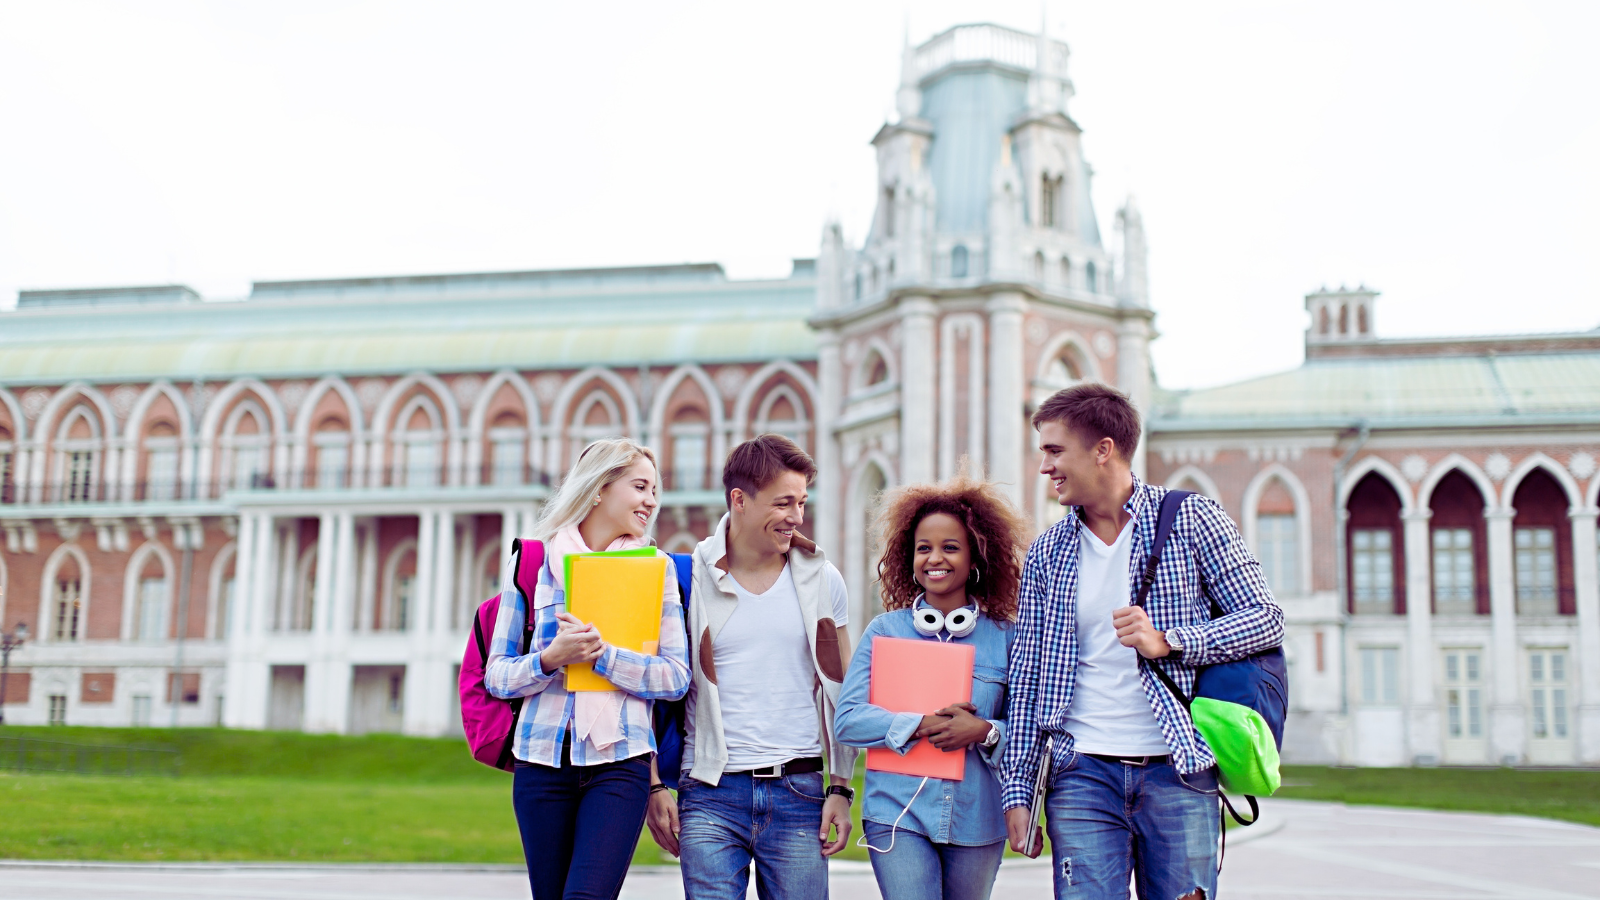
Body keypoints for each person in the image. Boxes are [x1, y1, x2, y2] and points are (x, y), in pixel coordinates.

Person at [1000, 383, 1284, 900]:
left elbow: (1265, 619)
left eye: (1055, 450)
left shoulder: (1191, 519)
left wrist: (1170, 641)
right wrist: (1018, 790)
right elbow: (1027, 680)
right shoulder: (1047, 552)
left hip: (1177, 769)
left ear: (1103, 449)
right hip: (1080, 774)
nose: (1045, 467)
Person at [645, 433, 857, 900]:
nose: (797, 517)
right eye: (784, 503)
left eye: (802, 502)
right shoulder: (687, 576)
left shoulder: (823, 579)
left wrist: (841, 789)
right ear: (739, 500)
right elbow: (647, 688)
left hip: (800, 791)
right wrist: (654, 785)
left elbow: (843, 690)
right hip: (709, 795)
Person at [485, 438, 691, 900]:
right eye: (640, 486)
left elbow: (677, 678)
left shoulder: (655, 570)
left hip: (620, 765)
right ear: (600, 488)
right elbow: (496, 676)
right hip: (541, 761)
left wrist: (605, 658)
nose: (651, 501)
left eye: (655, 490)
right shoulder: (533, 564)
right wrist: (549, 659)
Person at [834, 472, 1029, 900]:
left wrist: (985, 732)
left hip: (977, 818)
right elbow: (846, 722)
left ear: (975, 558)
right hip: (896, 814)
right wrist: (919, 724)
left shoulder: (1007, 636)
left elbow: (1030, 729)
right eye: (924, 548)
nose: (934, 558)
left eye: (950, 548)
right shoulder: (884, 631)